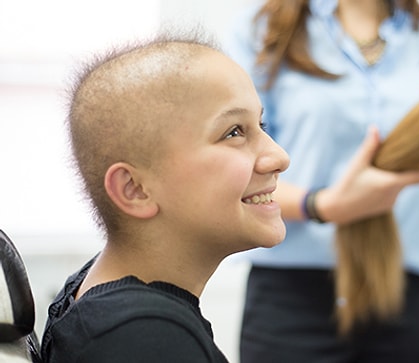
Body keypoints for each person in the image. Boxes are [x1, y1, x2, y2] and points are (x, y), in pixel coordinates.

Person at [224, 1, 419, 362]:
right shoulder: (262, 32)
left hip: (403, 294)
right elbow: (238, 167)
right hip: (293, 294)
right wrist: (325, 205)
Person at [40, 31, 290, 363]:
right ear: (135, 189)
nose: (279, 157)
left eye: (262, 125)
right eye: (234, 132)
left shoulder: (99, 301)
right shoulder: (144, 339)